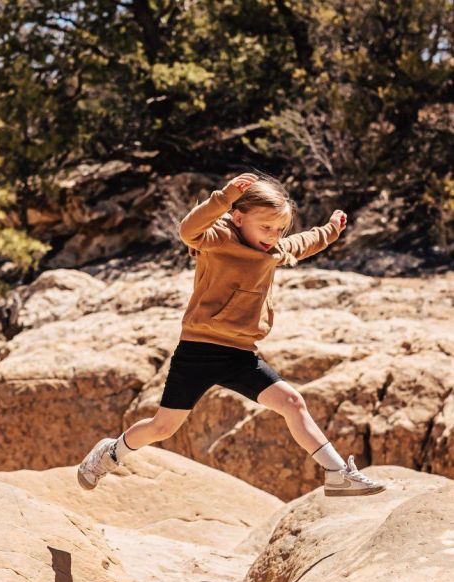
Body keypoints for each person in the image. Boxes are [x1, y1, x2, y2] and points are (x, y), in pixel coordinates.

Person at [77, 173, 385, 497]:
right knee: (162, 427)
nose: (273, 236)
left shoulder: (273, 250)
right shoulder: (218, 238)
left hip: (240, 355)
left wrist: (331, 230)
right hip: (198, 352)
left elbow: (304, 243)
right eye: (265, 227)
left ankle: (337, 473)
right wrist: (223, 198)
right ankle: (110, 453)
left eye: (279, 229)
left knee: (293, 402)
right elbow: (187, 230)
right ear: (239, 218)